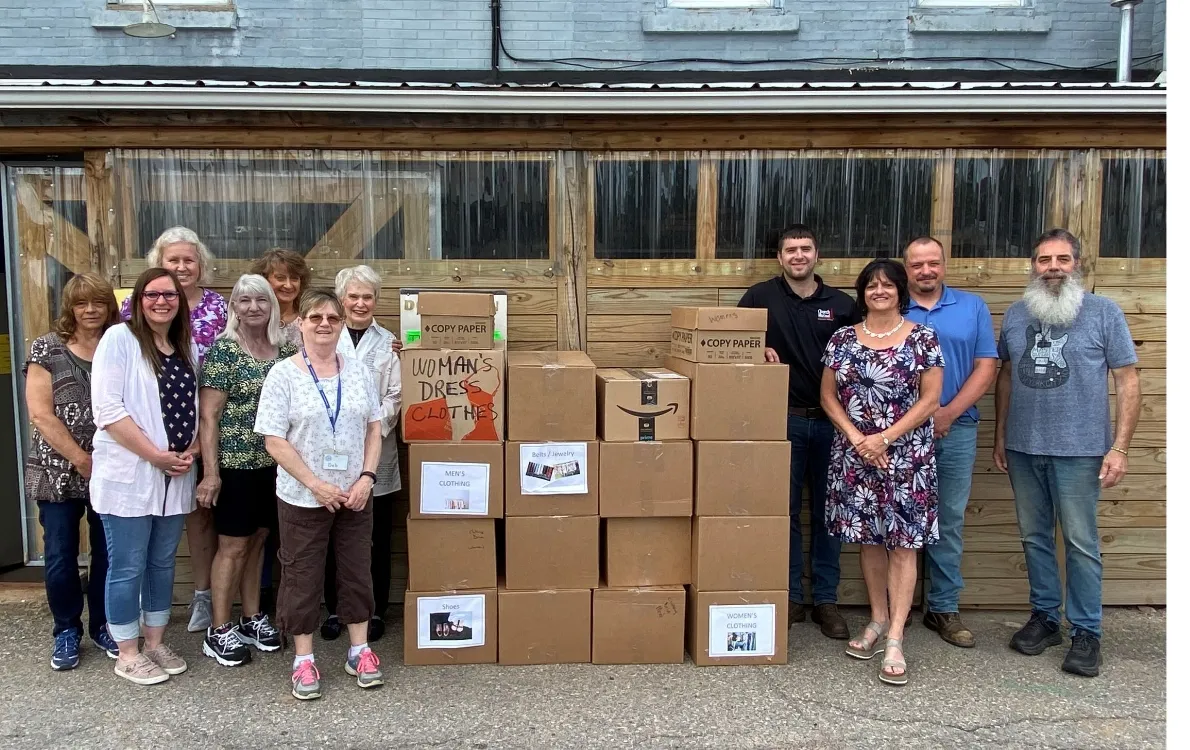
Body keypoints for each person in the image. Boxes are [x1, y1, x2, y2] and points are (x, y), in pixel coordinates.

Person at [993, 229, 1140, 678]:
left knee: (1080, 543)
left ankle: (1086, 631)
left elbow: (1127, 381)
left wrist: (1120, 446)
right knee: (1034, 537)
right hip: (1023, 447)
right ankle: (1045, 618)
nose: (1052, 267)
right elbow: (1005, 377)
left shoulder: (1103, 313)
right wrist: (1000, 435)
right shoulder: (1017, 316)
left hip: (1081, 451)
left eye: (1061, 259)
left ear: (1077, 263)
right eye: (1043, 259)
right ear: (1033, 265)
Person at [255, 288, 384, 700]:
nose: (324, 324)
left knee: (356, 569)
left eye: (332, 317)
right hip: (303, 495)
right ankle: (304, 659)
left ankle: (359, 650)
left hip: (354, 495)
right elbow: (274, 439)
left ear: (342, 323)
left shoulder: (359, 371)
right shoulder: (284, 374)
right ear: (301, 324)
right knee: (302, 574)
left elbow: (373, 428)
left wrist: (366, 477)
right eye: (316, 318)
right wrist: (314, 482)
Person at [820, 258, 944, 687]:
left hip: (906, 457)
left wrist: (885, 437)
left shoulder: (923, 339)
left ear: (900, 291)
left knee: (903, 544)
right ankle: (875, 620)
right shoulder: (842, 339)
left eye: (887, 285)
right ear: (862, 293)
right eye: (871, 285)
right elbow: (828, 396)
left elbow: (930, 401)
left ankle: (895, 635)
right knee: (868, 541)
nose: (879, 291)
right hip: (855, 454)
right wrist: (858, 438)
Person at [737, 224, 858, 640]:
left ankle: (826, 601)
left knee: (829, 515)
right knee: (784, 512)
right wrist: (756, 349)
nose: (798, 256)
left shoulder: (843, 305)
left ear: (817, 254)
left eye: (805, 248)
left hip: (835, 425)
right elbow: (730, 348)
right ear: (779, 257)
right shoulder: (759, 298)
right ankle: (789, 597)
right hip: (781, 421)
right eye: (791, 250)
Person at [91, 267, 200, 685]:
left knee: (161, 563)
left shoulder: (182, 346)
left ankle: (154, 642)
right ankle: (127, 651)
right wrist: (156, 455)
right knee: (127, 565)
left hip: (174, 475)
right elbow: (109, 411)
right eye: (152, 294)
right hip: (133, 474)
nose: (161, 301)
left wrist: (188, 450)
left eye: (170, 295)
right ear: (137, 301)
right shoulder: (119, 340)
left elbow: (189, 408)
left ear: (180, 301)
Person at [120, 227, 227, 634]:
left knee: (202, 513)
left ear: (200, 265)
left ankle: (203, 597)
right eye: (172, 260)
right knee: (147, 526)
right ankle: (138, 621)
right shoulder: (134, 311)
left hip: (210, 425)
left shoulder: (218, 306)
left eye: (188, 260)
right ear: (157, 266)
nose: (181, 267)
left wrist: (204, 433)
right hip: (149, 434)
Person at [196, 275, 296, 667]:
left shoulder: (283, 351)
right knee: (233, 546)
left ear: (272, 305)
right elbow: (209, 415)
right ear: (233, 308)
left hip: (274, 464)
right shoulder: (225, 352)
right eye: (244, 300)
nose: (253, 307)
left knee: (259, 540)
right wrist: (211, 472)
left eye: (261, 300)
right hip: (235, 466)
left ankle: (252, 617)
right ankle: (218, 628)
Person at [903, 237, 997, 648]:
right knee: (899, 518)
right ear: (906, 268)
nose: (926, 271)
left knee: (949, 520)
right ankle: (897, 608)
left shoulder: (972, 307)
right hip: (898, 434)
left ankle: (942, 606)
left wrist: (948, 413)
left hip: (955, 428)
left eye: (933, 263)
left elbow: (986, 365)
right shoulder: (888, 305)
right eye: (917, 264)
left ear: (944, 265)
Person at [24, 273, 122, 670]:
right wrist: (81, 459)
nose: (90, 310)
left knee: (108, 553)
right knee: (61, 554)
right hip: (57, 471)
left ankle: (102, 625)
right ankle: (66, 630)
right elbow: (40, 414)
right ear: (70, 308)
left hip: (113, 466)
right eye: (81, 304)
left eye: (98, 302)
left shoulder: (121, 344)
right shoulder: (47, 348)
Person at [320, 266, 402, 644]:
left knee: (374, 537)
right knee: (331, 534)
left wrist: (371, 427)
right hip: (328, 455)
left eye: (367, 296)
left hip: (376, 455)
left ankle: (373, 611)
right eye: (353, 296)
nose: (360, 303)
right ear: (341, 299)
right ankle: (336, 609)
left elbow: (396, 396)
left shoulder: (390, 343)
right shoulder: (322, 338)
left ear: (376, 300)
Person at [250, 248, 309, 348]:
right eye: (280, 278)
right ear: (264, 280)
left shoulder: (309, 318)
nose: (288, 285)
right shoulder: (252, 318)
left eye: (294, 278)